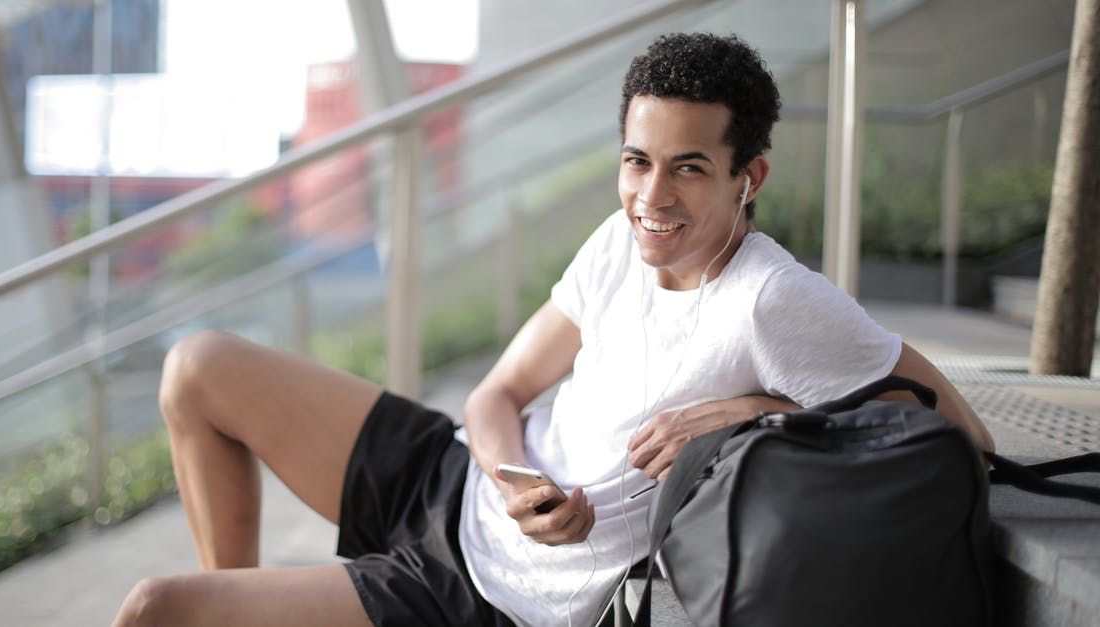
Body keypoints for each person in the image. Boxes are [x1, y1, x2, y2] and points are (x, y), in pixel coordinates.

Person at [112, 33, 995, 627]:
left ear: (747, 175)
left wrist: (754, 411)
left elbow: (957, 429)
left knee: (158, 607)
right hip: (461, 473)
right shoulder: (622, 238)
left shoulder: (773, 301)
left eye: (689, 168)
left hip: (486, 594)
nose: (652, 198)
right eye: (637, 161)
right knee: (197, 366)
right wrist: (513, 478)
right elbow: (497, 391)